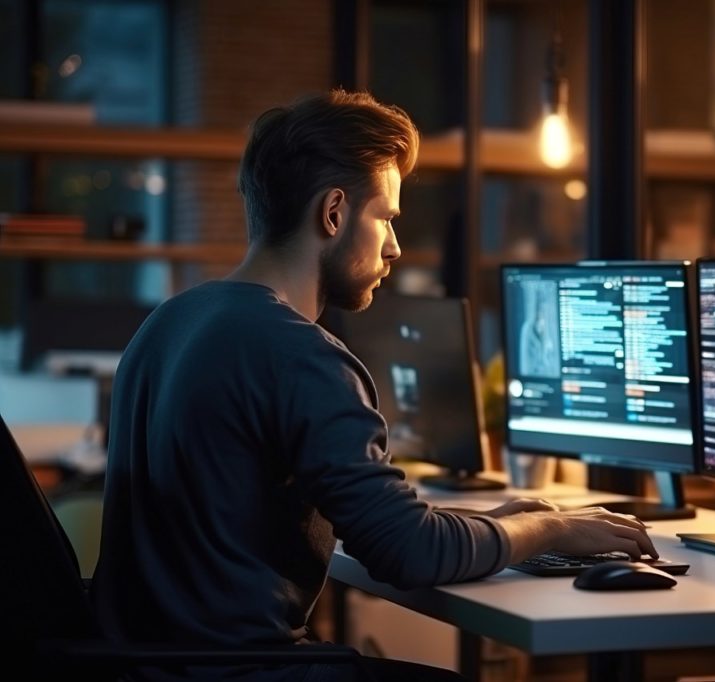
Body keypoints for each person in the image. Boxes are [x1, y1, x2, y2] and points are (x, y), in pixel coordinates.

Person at [91, 89, 658, 682]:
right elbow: (407, 552)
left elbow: (381, 529)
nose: (395, 247)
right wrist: (552, 528)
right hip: (244, 670)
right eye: (385, 218)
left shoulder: (169, 321)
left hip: (143, 664)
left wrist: (500, 525)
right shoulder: (302, 356)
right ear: (334, 213)